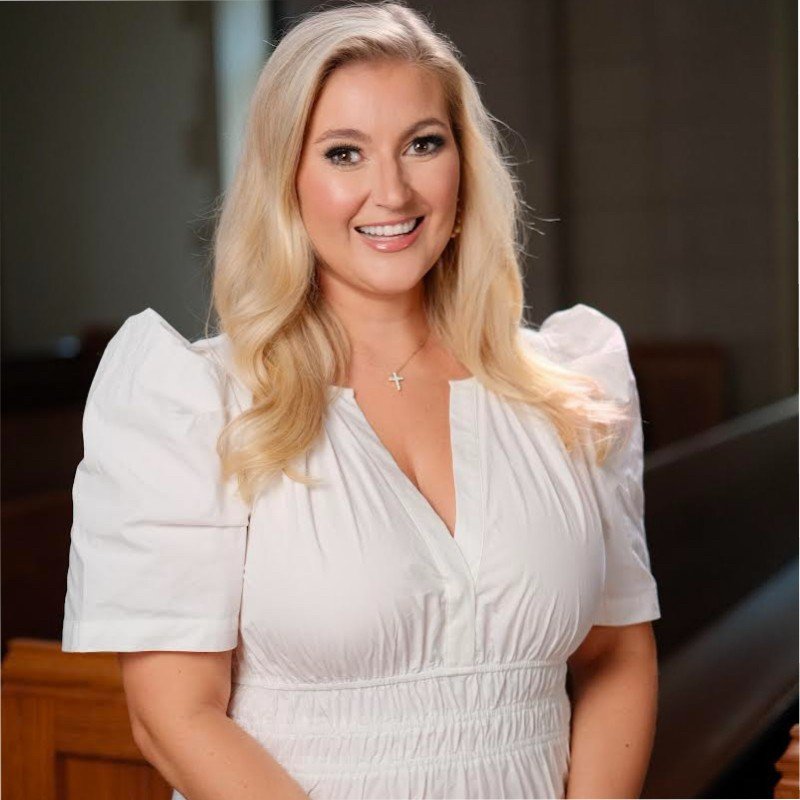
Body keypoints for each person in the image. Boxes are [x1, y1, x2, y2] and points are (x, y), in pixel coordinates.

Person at [61, 2, 661, 798]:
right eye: (344, 153)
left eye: (423, 144)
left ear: (464, 163)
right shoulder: (197, 405)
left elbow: (617, 654)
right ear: (286, 179)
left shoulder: (566, 389)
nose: (392, 190)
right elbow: (174, 718)